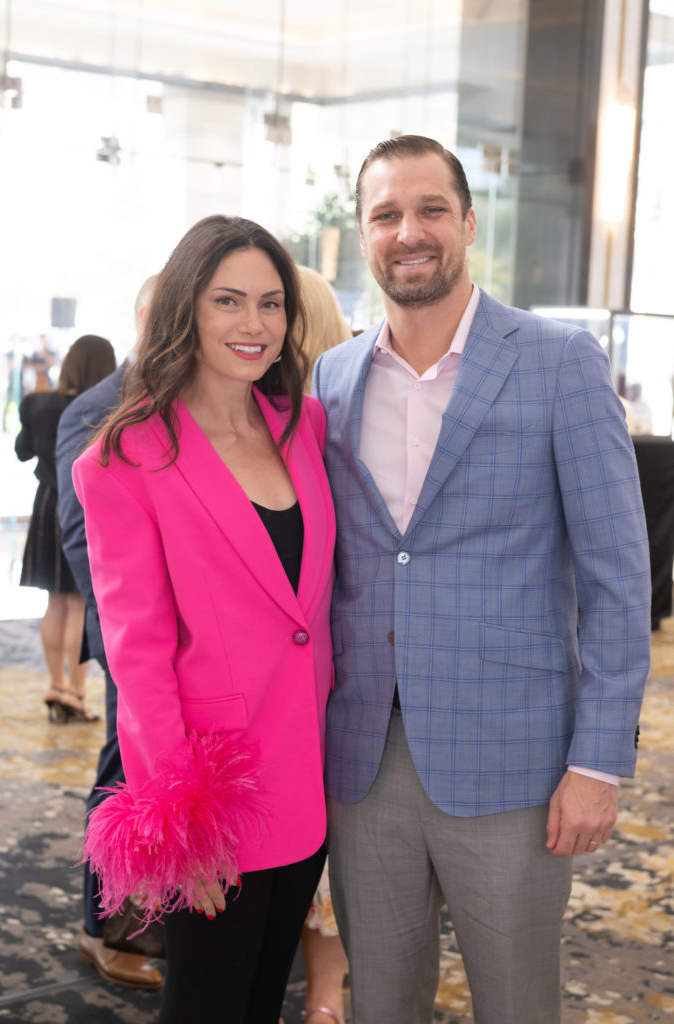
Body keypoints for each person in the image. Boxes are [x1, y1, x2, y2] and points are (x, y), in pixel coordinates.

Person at [311, 135, 651, 1024]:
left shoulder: (558, 362)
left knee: (515, 1002)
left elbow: (619, 576)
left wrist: (597, 761)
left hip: (515, 760)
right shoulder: (332, 376)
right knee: (380, 998)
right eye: (385, 214)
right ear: (362, 236)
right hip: (361, 755)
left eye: (429, 210)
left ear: (466, 223)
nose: (408, 231)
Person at [72, 215, 336, 1024]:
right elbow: (138, 657)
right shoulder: (124, 457)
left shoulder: (305, 426)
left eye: (269, 304)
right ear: (187, 307)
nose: (252, 325)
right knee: (208, 1007)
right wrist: (182, 828)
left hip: (307, 770)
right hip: (214, 789)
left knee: (264, 1000)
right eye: (228, 301)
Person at [56, 275, 163, 990]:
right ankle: (103, 928)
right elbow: (79, 537)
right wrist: (137, 623)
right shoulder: (97, 409)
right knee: (122, 772)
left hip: (190, 640)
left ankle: (154, 915)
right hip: (131, 633)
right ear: (143, 318)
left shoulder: (189, 401)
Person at [295, 266, 350, 1024]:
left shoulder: (318, 417)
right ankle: (326, 997)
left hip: (330, 668)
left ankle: (322, 995)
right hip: (348, 664)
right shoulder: (339, 406)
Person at [15, 333, 116, 722]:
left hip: (45, 505)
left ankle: (55, 684)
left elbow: (23, 452)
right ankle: (75, 692)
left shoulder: (38, 403)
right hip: (83, 504)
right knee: (78, 602)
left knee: (53, 600)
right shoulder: (100, 405)